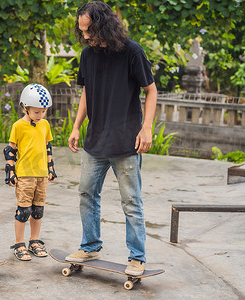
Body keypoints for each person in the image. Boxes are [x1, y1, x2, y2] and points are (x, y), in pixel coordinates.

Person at [66, 1, 157, 276]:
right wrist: (76, 126)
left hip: (126, 142)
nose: (85, 36)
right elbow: (86, 92)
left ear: (103, 25)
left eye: (89, 30)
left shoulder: (132, 51)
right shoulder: (87, 55)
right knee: (86, 193)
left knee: (131, 201)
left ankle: (137, 257)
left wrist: (147, 128)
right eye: (81, 31)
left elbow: (151, 91)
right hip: (95, 142)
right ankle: (90, 245)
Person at [4, 83, 57, 261]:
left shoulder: (45, 125)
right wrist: (10, 171)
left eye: (43, 111)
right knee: (24, 210)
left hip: (41, 174)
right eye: (36, 112)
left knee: (38, 210)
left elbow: (47, 147)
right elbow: (10, 150)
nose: (40, 115)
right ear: (25, 108)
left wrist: (50, 169)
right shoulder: (18, 126)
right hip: (25, 175)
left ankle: (34, 241)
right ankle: (19, 244)